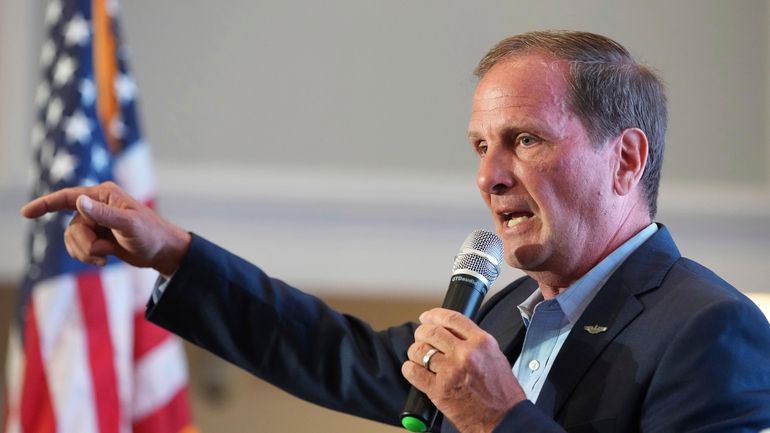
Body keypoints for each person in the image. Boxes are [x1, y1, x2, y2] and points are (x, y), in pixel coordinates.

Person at [21, 30, 770, 432]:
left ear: (625, 160)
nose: (490, 176)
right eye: (481, 147)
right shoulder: (505, 313)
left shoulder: (710, 329)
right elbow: (327, 349)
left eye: (526, 140)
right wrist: (175, 254)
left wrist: (500, 421)